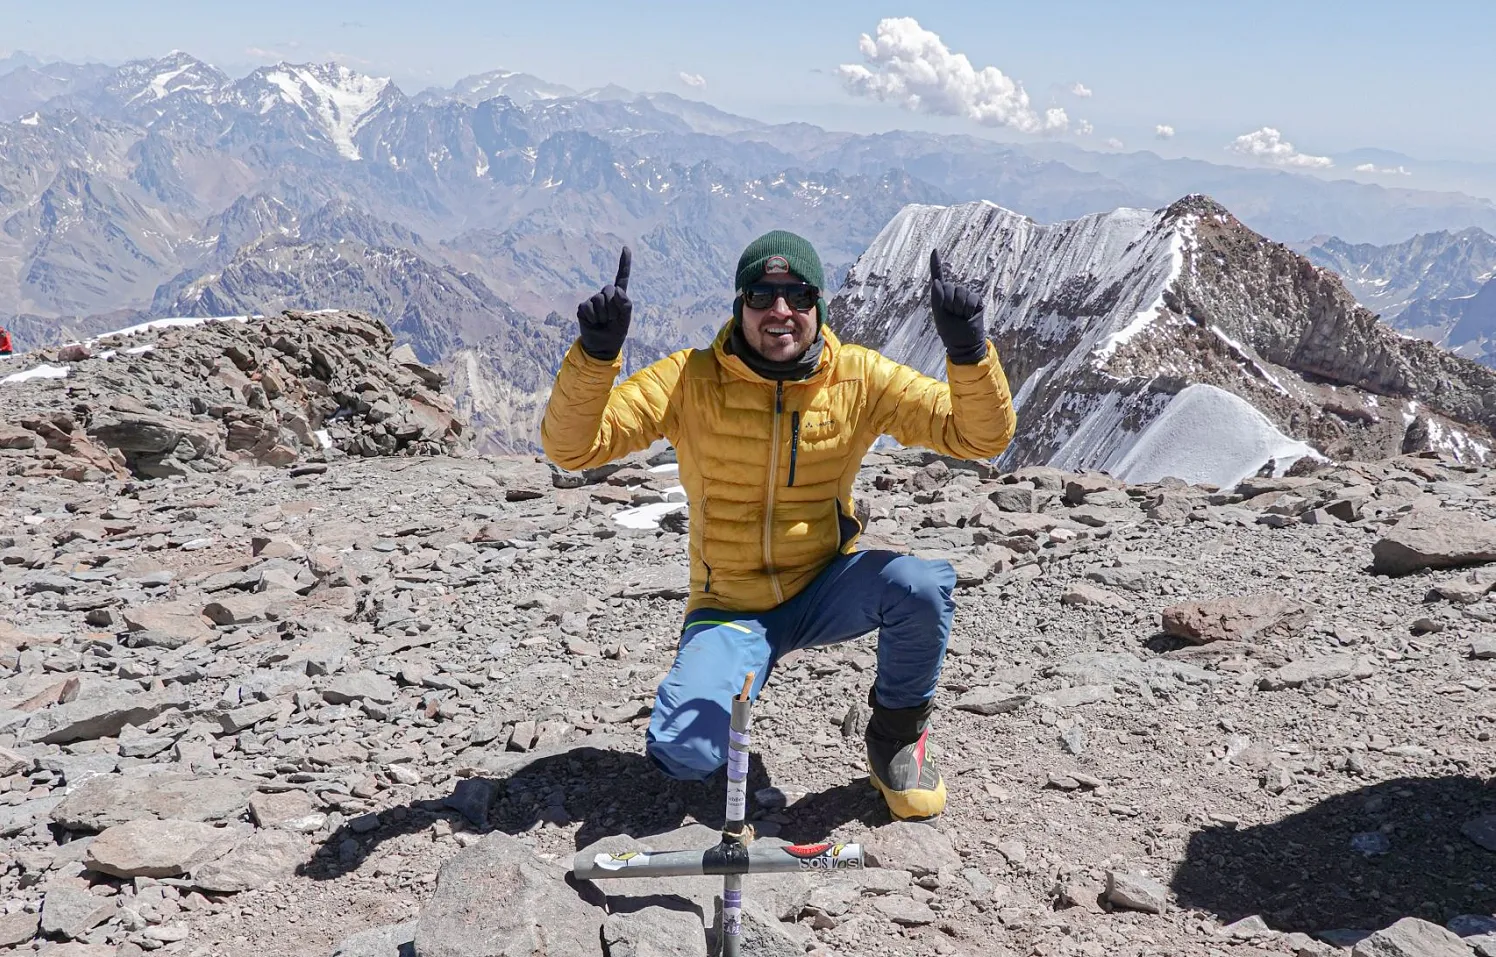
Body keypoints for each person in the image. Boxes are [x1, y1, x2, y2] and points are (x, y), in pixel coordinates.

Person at [541, 231, 1016, 820]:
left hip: (825, 585)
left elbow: (980, 437)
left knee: (919, 587)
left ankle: (897, 735)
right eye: (762, 294)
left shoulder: (858, 379)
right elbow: (572, 449)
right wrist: (594, 356)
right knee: (683, 754)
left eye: (798, 294)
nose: (780, 310)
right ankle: (711, 701)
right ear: (740, 305)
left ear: (818, 306)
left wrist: (967, 350)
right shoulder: (689, 381)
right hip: (730, 606)